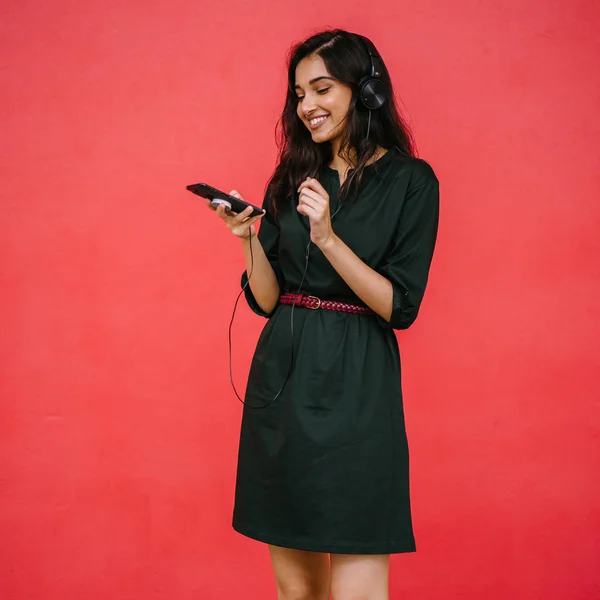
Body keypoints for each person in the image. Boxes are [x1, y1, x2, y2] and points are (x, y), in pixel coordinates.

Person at [206, 29, 439, 600]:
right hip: (282, 380)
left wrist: (329, 238)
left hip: (358, 382)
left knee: (359, 583)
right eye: (298, 94)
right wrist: (246, 239)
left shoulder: (411, 181)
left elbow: (399, 306)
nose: (306, 105)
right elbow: (265, 299)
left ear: (366, 92)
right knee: (297, 592)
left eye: (321, 88)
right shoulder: (290, 177)